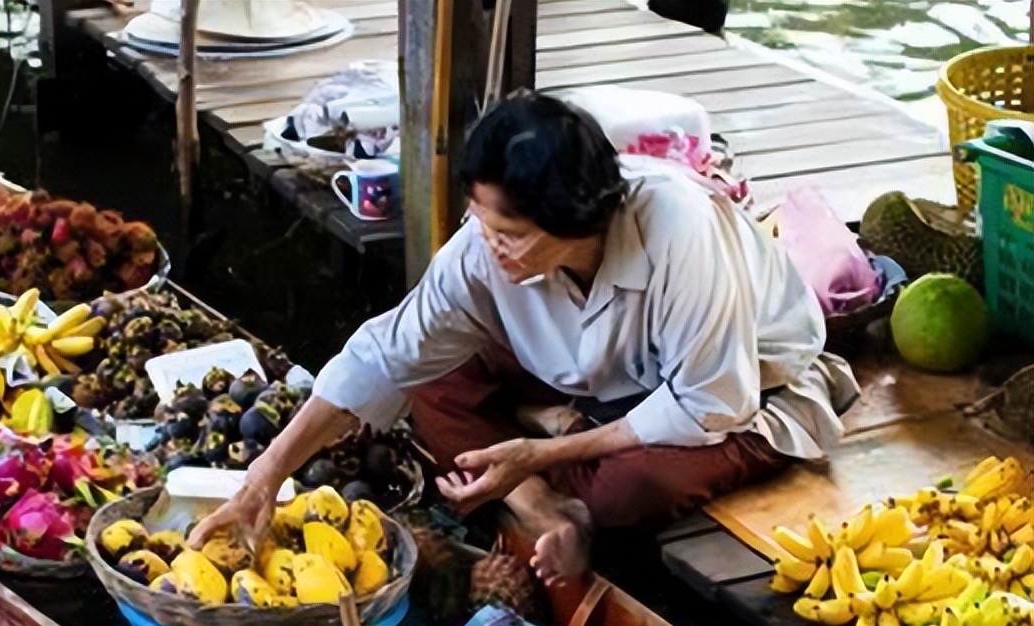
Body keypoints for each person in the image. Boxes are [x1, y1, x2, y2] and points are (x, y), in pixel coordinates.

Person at [191, 92, 858, 585]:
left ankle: (558, 486)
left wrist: (541, 452)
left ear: (575, 219)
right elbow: (384, 354)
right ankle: (543, 511)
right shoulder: (488, 250)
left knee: (627, 494)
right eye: (480, 223)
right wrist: (264, 476)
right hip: (589, 378)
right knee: (431, 379)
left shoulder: (679, 225)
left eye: (509, 234)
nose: (490, 247)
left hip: (746, 386)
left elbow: (707, 401)